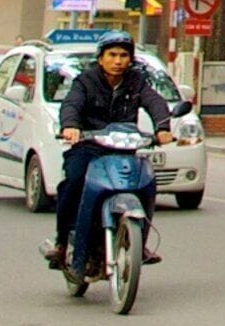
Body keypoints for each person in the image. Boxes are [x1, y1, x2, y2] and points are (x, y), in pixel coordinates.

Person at [47, 33, 172, 278]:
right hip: (88, 148)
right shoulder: (85, 81)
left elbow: (155, 102)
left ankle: (140, 243)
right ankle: (62, 243)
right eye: (112, 55)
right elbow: (71, 104)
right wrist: (71, 126)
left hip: (123, 150)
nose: (118, 61)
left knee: (146, 183)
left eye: (124, 55)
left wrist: (163, 128)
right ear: (101, 59)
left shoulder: (137, 82)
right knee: (73, 181)